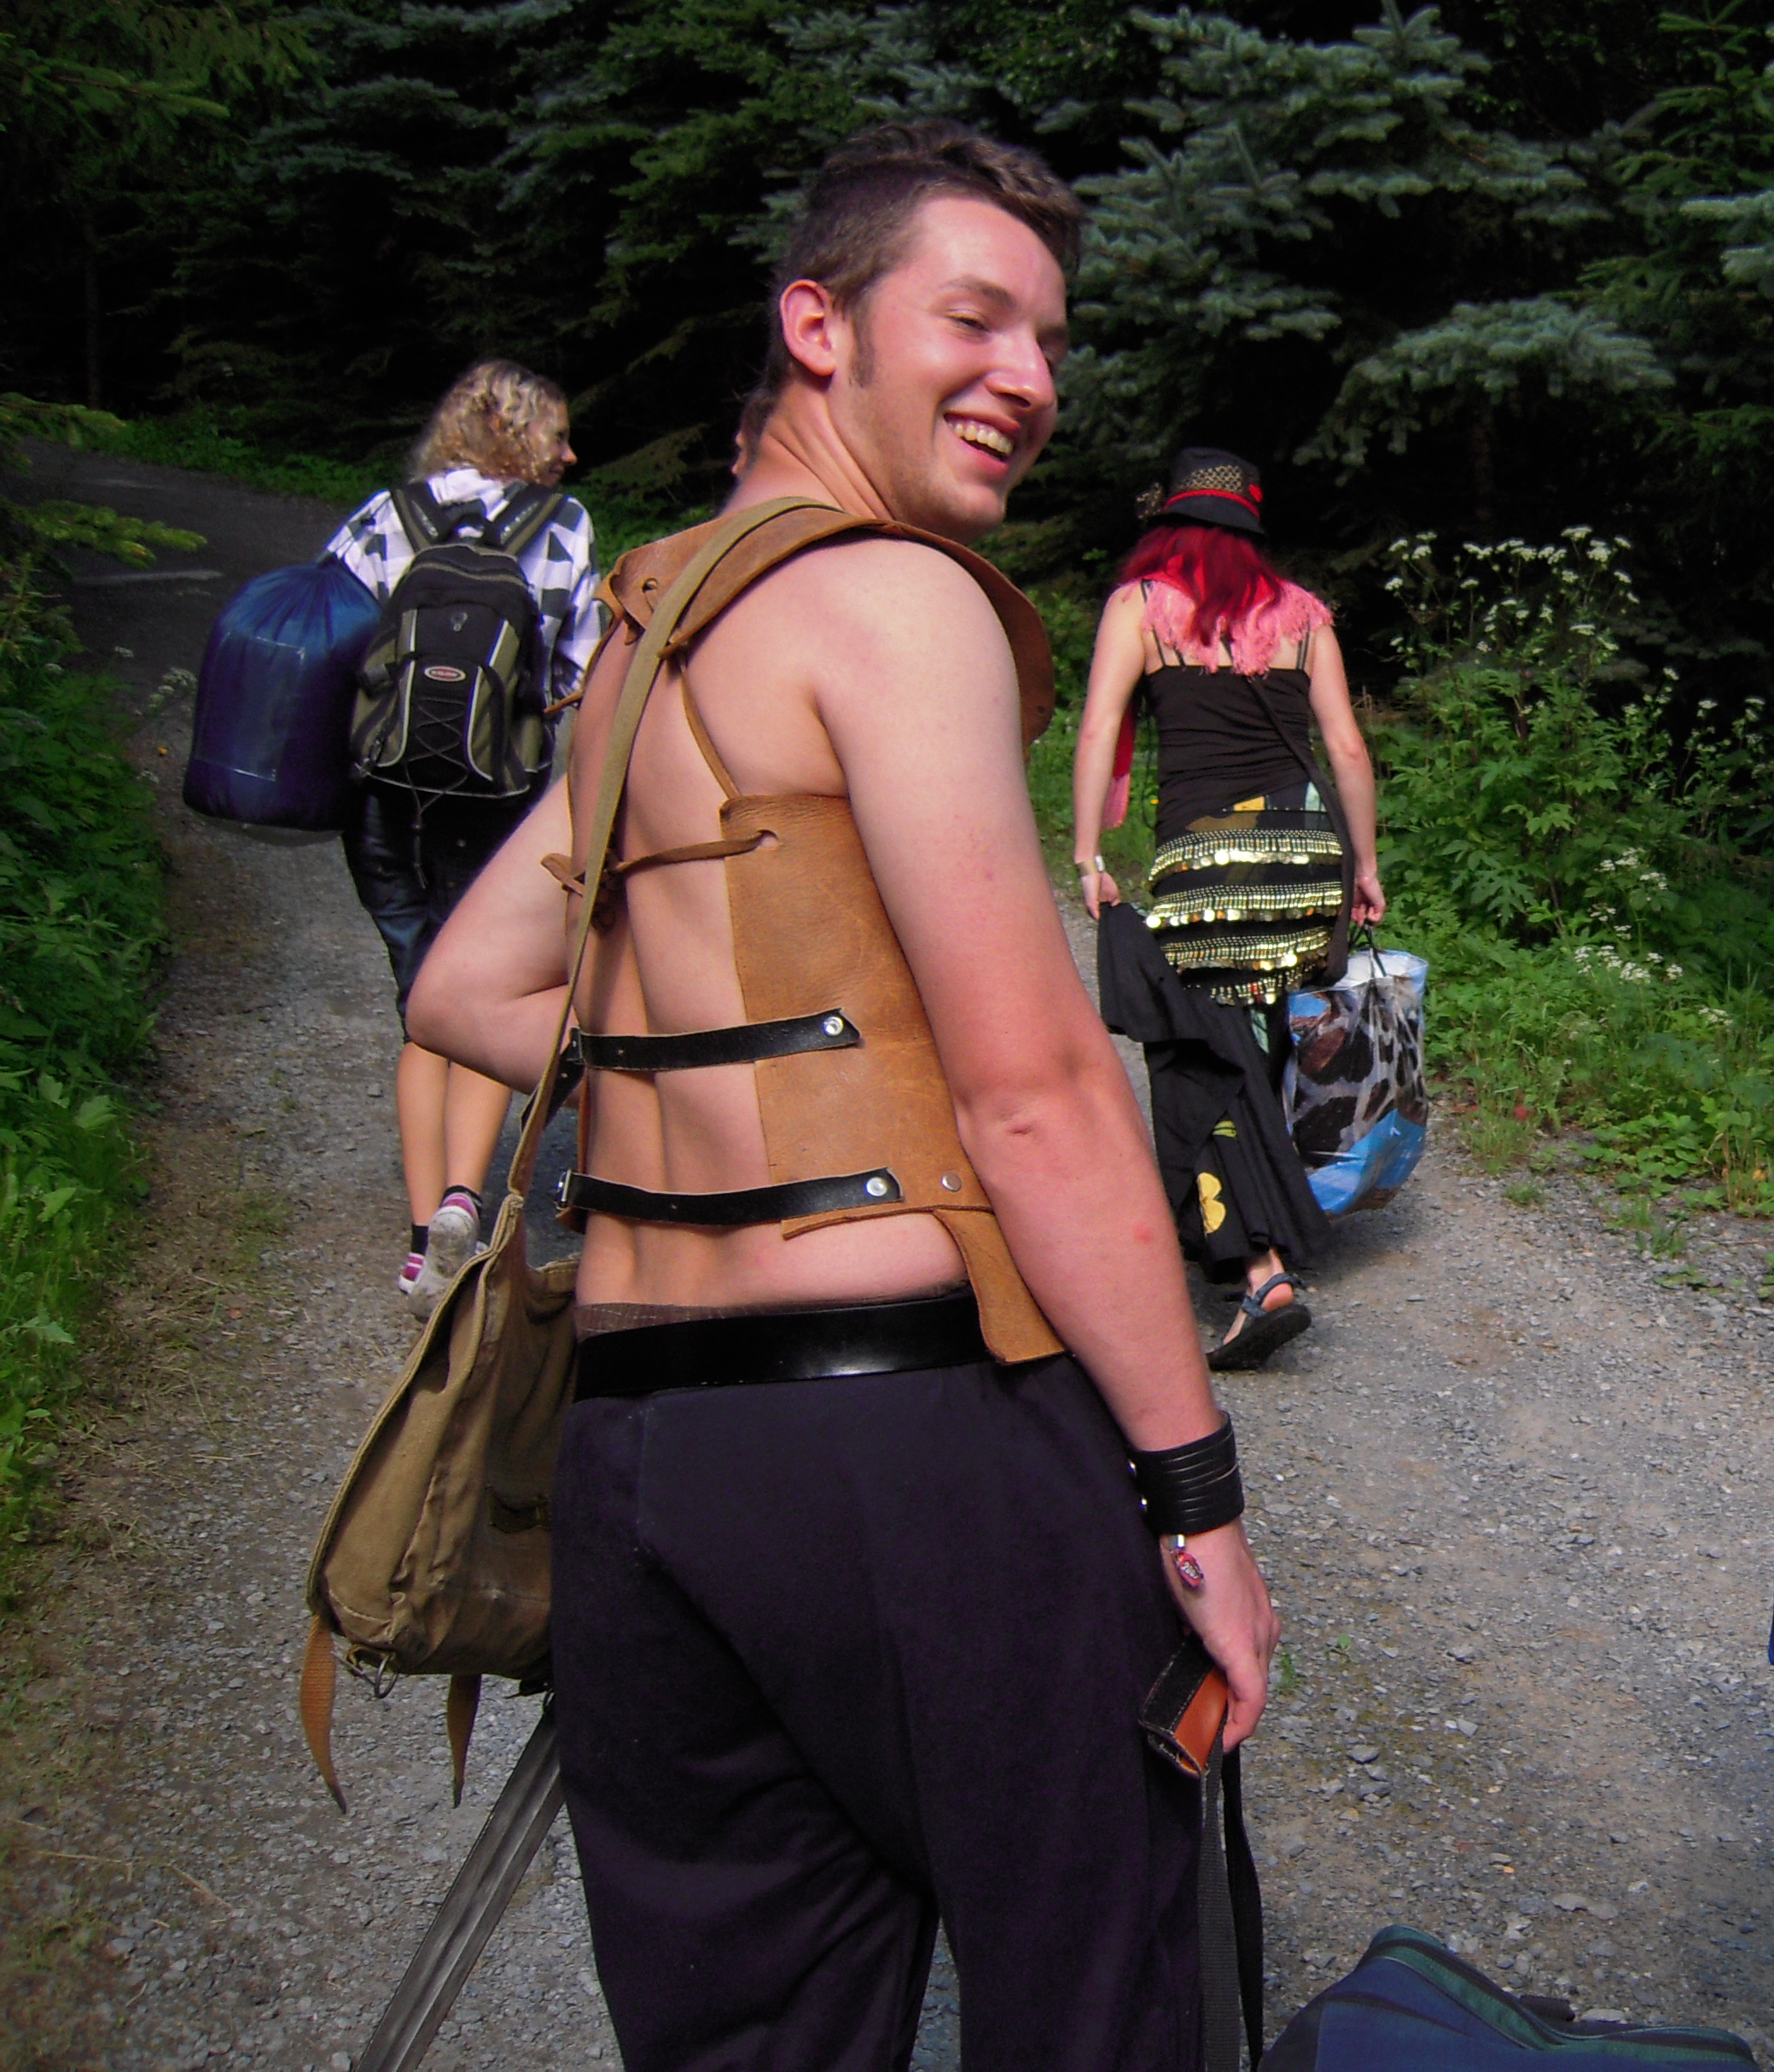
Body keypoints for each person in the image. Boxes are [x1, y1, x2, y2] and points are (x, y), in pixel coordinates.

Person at [408, 119, 1277, 2069]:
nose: (1029, 377)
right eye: (975, 319)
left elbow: (468, 985)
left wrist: (720, 1077)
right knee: (1101, 2004)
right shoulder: (901, 600)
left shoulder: (653, 634)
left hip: (644, 1470)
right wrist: (1195, 1493)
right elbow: (1039, 1092)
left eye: (1050, 339)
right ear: (820, 323)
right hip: (913, 1443)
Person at [1070, 451, 1384, 1370]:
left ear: (1168, 523)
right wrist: (1364, 864)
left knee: (1197, 1052)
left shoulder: (1141, 606)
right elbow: (1347, 747)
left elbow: (1099, 726)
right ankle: (1258, 1210)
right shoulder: (1303, 614)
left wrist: (1088, 853)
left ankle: (1259, 1267)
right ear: (1251, 527)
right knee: (1259, 1034)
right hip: (1307, 850)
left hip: (1212, 861)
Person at [326, 359, 601, 1314]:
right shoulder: (561, 526)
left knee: (422, 1003)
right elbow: (581, 668)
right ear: (516, 433)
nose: (570, 454)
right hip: (498, 794)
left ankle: (420, 1247)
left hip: (385, 792)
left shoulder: (385, 516)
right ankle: (461, 1202)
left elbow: (331, 640)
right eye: (556, 433)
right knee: (484, 991)